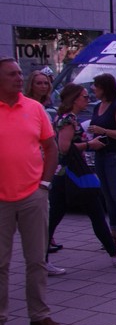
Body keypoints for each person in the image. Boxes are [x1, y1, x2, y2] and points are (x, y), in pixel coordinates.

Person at [0, 57, 62, 325]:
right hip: (2, 200)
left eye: (18, 73)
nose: (18, 78)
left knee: (36, 259)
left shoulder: (35, 108)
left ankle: (39, 315)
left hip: (32, 195)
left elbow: (51, 148)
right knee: (0, 263)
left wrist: (45, 184)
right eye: (11, 74)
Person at [48, 84, 116, 269]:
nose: (88, 99)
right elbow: (64, 147)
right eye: (84, 97)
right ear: (74, 99)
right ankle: (115, 253)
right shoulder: (69, 119)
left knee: (59, 216)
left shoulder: (61, 116)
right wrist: (91, 145)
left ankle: (41, 260)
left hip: (63, 174)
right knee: (94, 212)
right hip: (73, 173)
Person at [87, 73, 116, 250]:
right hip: (101, 155)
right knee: (107, 196)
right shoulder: (98, 106)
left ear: (105, 88)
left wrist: (104, 131)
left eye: (96, 86)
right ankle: (112, 233)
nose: (93, 89)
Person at [24, 68, 62, 256]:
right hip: (30, 164)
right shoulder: (27, 106)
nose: (43, 86)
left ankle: (44, 253)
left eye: (46, 83)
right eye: (38, 83)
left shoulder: (45, 106)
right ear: (31, 85)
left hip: (44, 163)